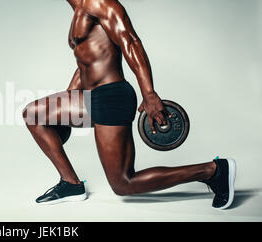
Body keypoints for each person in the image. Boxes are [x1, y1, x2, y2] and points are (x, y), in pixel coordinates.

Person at [22, 0, 236, 209]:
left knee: (124, 184)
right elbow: (86, 64)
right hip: (91, 96)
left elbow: (130, 42)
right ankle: (71, 184)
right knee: (33, 114)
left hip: (111, 96)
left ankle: (213, 171)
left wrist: (149, 93)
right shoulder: (78, 10)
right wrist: (68, 99)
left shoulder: (99, 3)